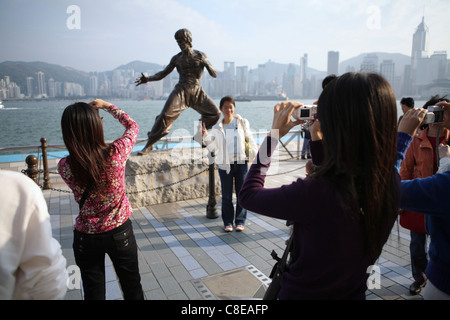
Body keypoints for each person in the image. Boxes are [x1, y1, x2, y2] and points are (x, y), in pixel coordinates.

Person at [239, 72, 400, 299]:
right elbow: (339, 174)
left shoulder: (317, 193)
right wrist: (317, 139)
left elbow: (249, 195)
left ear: (338, 123)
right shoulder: (389, 181)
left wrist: (274, 135)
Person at [58, 99, 144, 300]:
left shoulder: (64, 166)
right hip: (119, 231)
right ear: (96, 126)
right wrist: (109, 106)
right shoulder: (115, 153)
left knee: (93, 293)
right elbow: (133, 126)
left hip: (85, 236)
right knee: (132, 288)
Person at [135, 28, 221, 154]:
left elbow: (214, 74)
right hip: (181, 91)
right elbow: (163, 74)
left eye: (182, 41)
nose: (180, 44)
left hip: (196, 91)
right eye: (178, 42)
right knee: (165, 116)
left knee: (215, 113)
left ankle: (199, 134)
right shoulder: (177, 58)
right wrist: (148, 79)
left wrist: (206, 63)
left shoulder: (200, 55)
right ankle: (149, 144)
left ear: (188, 40)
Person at [397, 101, 450, 300]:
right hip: (420, 198)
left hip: (432, 196)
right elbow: (405, 169)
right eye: (435, 113)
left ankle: (428, 275)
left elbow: (390, 188)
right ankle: (419, 277)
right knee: (417, 244)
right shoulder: (417, 140)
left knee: (436, 240)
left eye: (442, 114)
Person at [0, 170, 67, 300]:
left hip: (84, 231)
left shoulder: (66, 166)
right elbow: (48, 283)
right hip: (114, 229)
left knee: (92, 284)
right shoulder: (14, 187)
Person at [201, 96, 257, 232]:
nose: (229, 110)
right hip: (225, 164)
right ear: (221, 109)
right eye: (225, 107)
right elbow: (214, 148)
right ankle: (227, 222)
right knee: (226, 195)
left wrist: (256, 156)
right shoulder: (217, 127)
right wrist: (205, 136)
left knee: (241, 194)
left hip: (241, 162)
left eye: (231, 107)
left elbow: (249, 138)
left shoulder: (242, 122)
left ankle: (240, 221)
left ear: (234, 108)